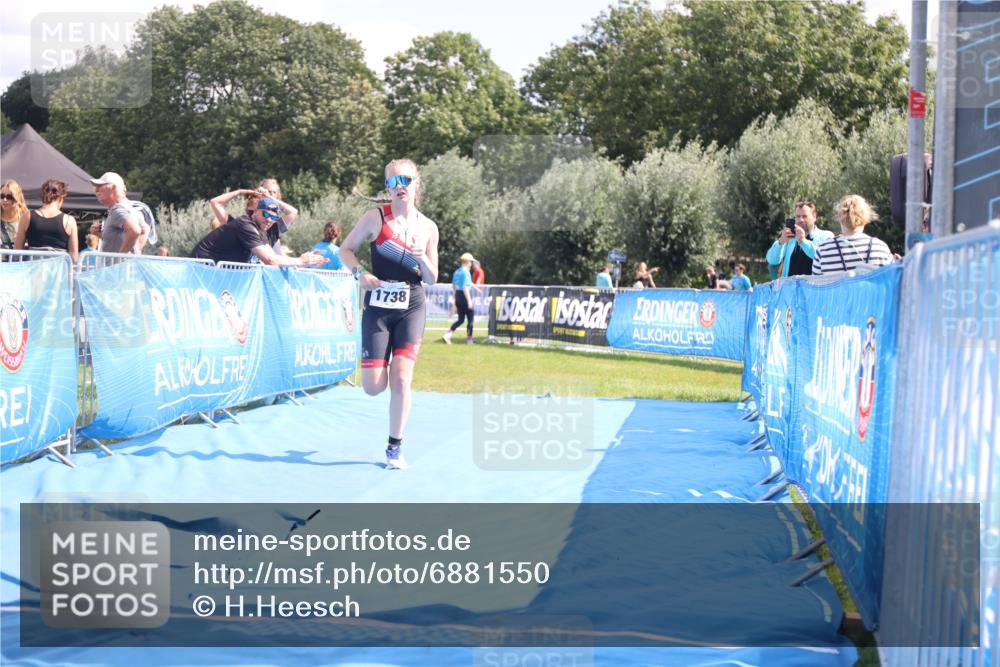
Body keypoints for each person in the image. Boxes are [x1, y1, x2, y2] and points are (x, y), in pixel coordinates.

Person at [339, 159, 439, 470]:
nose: (399, 187)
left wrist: (422, 259)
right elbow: (346, 250)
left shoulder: (428, 227)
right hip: (379, 306)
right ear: (387, 188)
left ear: (416, 184)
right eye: (393, 182)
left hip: (411, 304)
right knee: (372, 386)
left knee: (401, 377)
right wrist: (361, 274)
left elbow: (433, 277)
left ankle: (394, 447)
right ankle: (379, 376)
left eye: (405, 181)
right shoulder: (374, 219)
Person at [191, 196, 324, 267]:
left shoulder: (265, 230)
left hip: (215, 272)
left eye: (274, 217)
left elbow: (273, 258)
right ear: (255, 212)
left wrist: (303, 260)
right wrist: (301, 261)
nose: (270, 220)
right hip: (201, 268)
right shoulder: (245, 225)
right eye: (266, 215)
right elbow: (270, 260)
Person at [813, 195, 894, 276]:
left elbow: (815, 286)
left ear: (839, 217)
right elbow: (891, 281)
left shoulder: (823, 250)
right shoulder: (880, 247)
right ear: (866, 217)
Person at [15, 179, 79, 263]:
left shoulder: (27, 217)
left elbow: (16, 251)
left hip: (33, 270)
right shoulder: (69, 221)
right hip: (58, 272)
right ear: (61, 197)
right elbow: (74, 257)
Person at [765, 200, 834, 277]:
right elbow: (772, 260)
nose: (801, 220)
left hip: (813, 287)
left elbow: (824, 258)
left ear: (814, 217)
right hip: (790, 287)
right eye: (798, 216)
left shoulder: (826, 236)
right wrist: (780, 242)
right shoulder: (790, 237)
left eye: (805, 216)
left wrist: (803, 241)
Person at [90, 172, 147, 254]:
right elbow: (145, 230)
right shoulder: (131, 208)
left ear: (113, 187)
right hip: (125, 266)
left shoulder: (117, 209)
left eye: (100, 186)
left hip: (117, 267)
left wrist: (121, 256)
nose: (96, 190)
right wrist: (134, 253)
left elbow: (134, 231)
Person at [443, 253, 475, 345]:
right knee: (470, 319)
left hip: (458, 295)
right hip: (464, 296)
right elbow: (465, 287)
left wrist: (456, 297)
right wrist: (469, 301)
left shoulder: (457, 271)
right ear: (467, 261)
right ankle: (469, 339)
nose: (471, 264)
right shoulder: (466, 272)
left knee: (460, 319)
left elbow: (454, 286)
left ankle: (447, 335)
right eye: (471, 261)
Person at [1, 180, 29, 251]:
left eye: (9, 197)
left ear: (16, 199)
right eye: (2, 196)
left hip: (20, 261)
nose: (4, 199)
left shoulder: (26, 218)